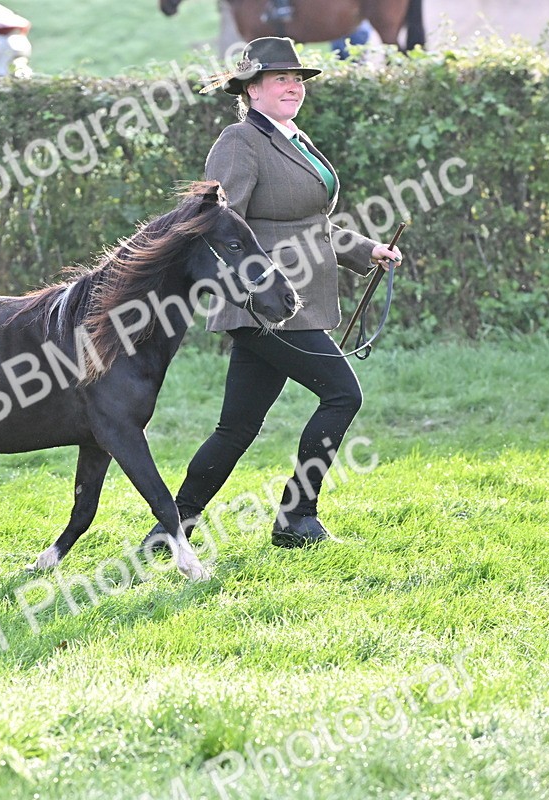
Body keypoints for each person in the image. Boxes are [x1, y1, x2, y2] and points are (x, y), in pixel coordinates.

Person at [145, 37, 402, 550]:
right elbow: (218, 224)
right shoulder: (240, 140)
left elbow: (312, 223)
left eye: (297, 79)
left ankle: (171, 530)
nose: (292, 86)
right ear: (252, 89)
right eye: (280, 78)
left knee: (235, 429)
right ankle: (296, 517)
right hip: (267, 305)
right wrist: (245, 290)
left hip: (295, 300)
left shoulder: (293, 137)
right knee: (342, 394)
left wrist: (364, 250)